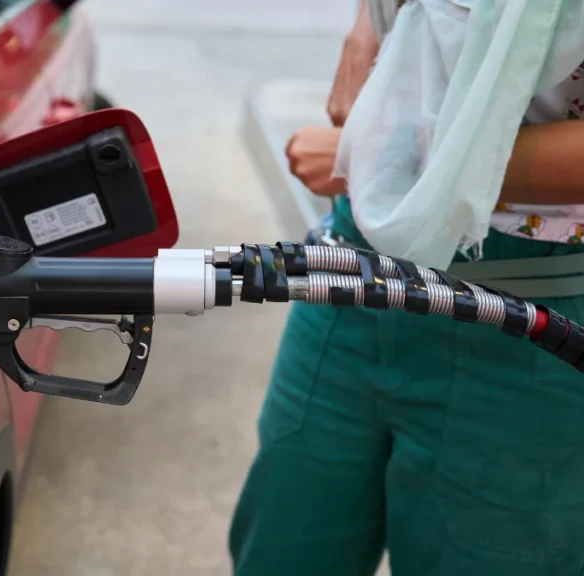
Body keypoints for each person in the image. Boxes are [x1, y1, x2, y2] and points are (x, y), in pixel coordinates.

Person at [228, 2, 584, 575]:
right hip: (354, 273)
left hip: (537, 311)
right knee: (285, 543)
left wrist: (385, 156)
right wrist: (369, 23)